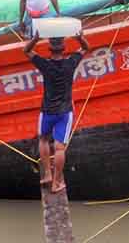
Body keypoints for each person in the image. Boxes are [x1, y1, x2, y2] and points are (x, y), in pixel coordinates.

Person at [23, 30, 90, 193]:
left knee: (43, 140)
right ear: (64, 48)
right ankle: (57, 182)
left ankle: (46, 174)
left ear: (50, 49)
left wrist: (35, 39)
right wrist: (80, 38)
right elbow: (85, 48)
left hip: (47, 111)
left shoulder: (45, 65)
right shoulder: (71, 63)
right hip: (64, 112)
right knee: (60, 148)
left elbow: (26, 51)